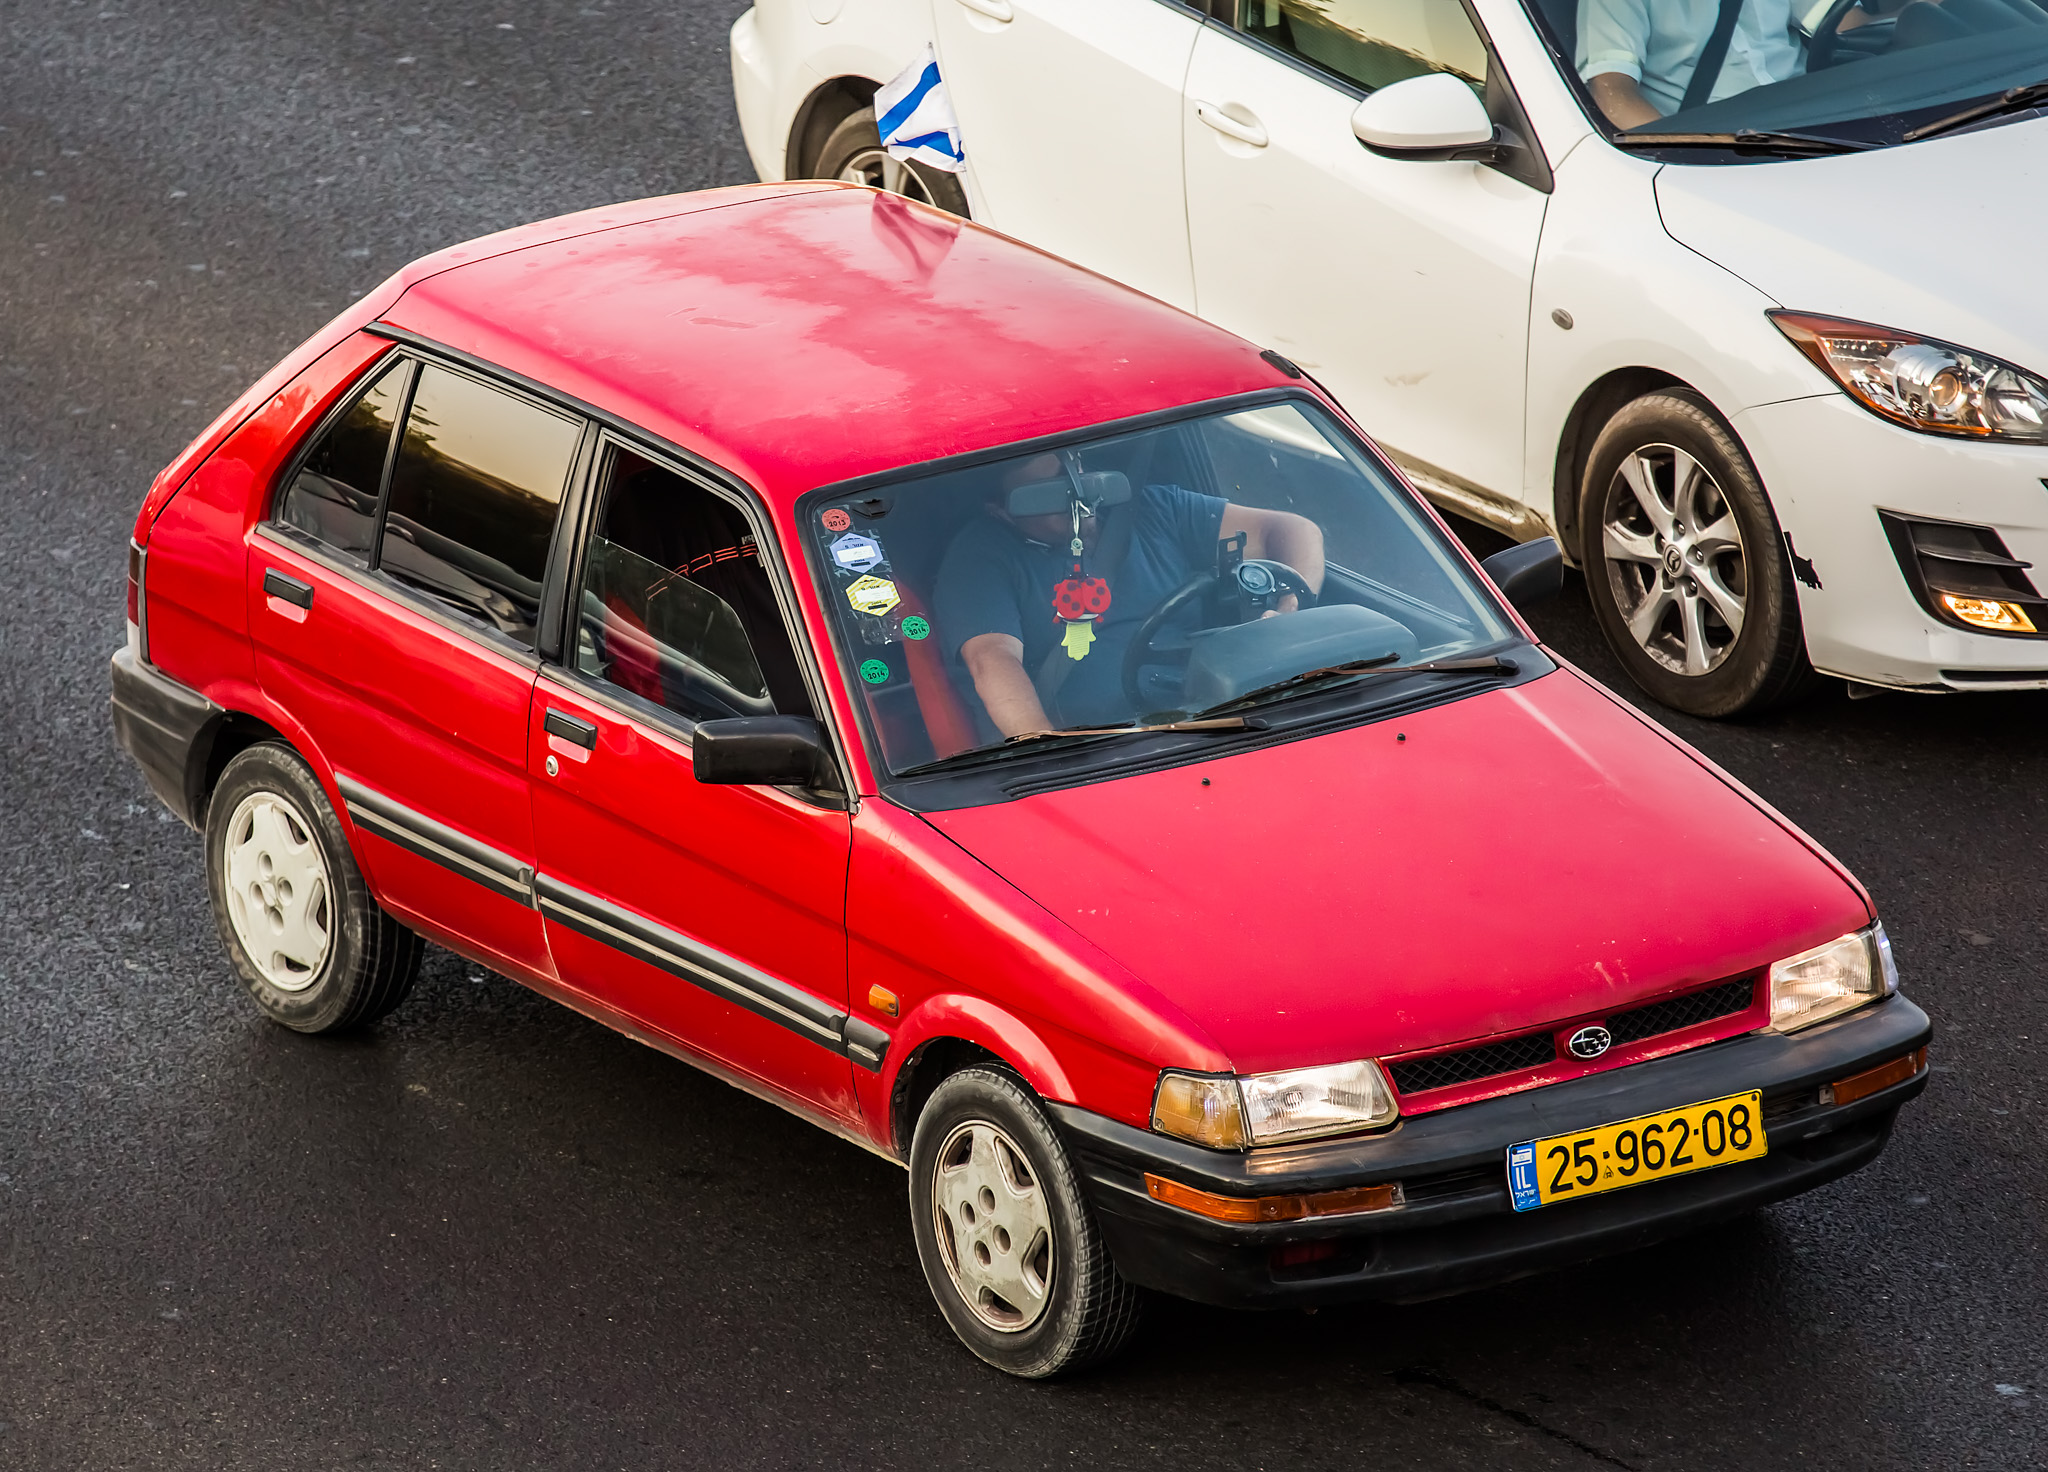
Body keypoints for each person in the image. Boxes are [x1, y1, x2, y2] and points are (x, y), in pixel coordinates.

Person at [933, 452, 1324, 738]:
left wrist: (1290, 610)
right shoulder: (978, 558)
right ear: (1000, 511)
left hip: (1222, 714)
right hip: (1102, 743)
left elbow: (1294, 530)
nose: (1074, 502)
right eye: (1044, 496)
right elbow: (993, 660)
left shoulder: (1155, 509)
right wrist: (1044, 747)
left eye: (1074, 481)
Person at [1578, 0, 1807, 127]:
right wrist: (1678, 154)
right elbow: (1611, 92)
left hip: (1817, 115)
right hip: (1724, 142)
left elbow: (1837, 21)